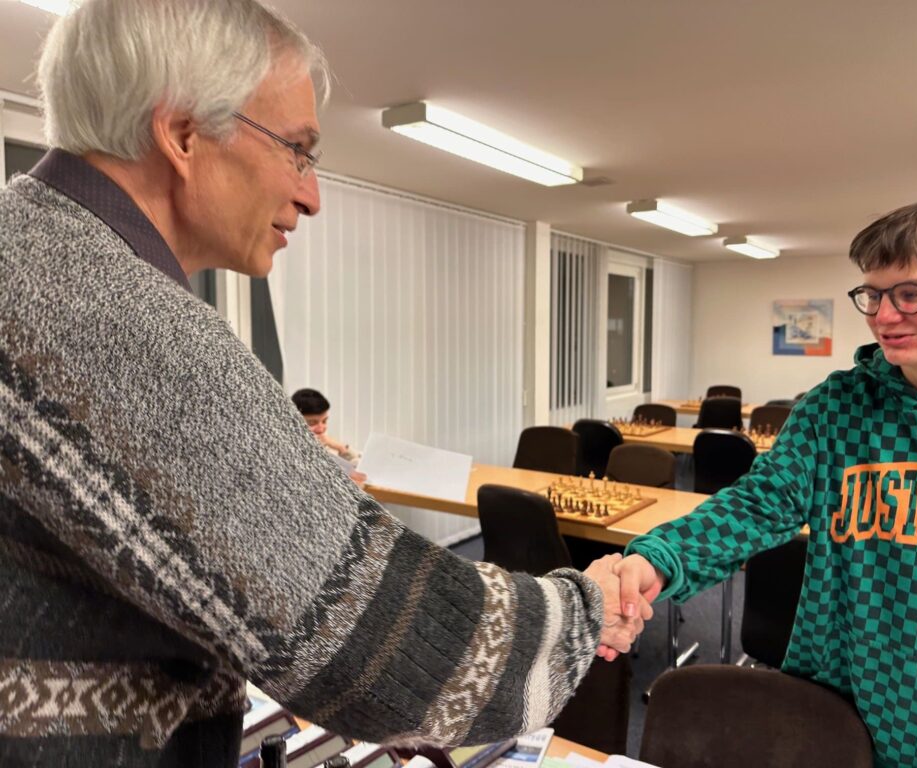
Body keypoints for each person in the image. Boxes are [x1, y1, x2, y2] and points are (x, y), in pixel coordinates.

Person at [0, 1, 650, 766]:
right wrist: (586, 606)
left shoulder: (27, 252)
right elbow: (388, 652)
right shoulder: (105, 309)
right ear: (182, 134)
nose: (312, 195)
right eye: (298, 151)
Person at [617, 197, 917, 766]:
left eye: (911, 293)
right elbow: (756, 506)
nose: (884, 315)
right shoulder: (836, 408)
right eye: (873, 295)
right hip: (833, 713)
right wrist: (656, 558)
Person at [291, 387, 366, 486]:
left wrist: (342, 448)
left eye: (324, 421)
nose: (321, 429)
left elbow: (362, 470)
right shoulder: (289, 451)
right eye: (312, 423)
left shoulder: (326, 443)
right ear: (293, 421)